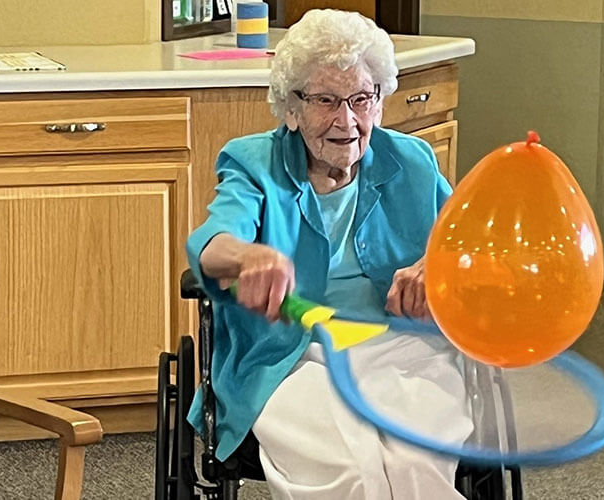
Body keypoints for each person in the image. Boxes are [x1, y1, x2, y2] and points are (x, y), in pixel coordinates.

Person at [186, 9, 473, 499]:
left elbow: (473, 245)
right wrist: (245, 258)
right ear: (291, 108)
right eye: (325, 100)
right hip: (291, 354)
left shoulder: (413, 161)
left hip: (406, 345)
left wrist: (438, 266)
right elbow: (212, 242)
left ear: (379, 102)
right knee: (350, 471)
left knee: (415, 461)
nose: (347, 120)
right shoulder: (254, 164)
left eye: (361, 98)